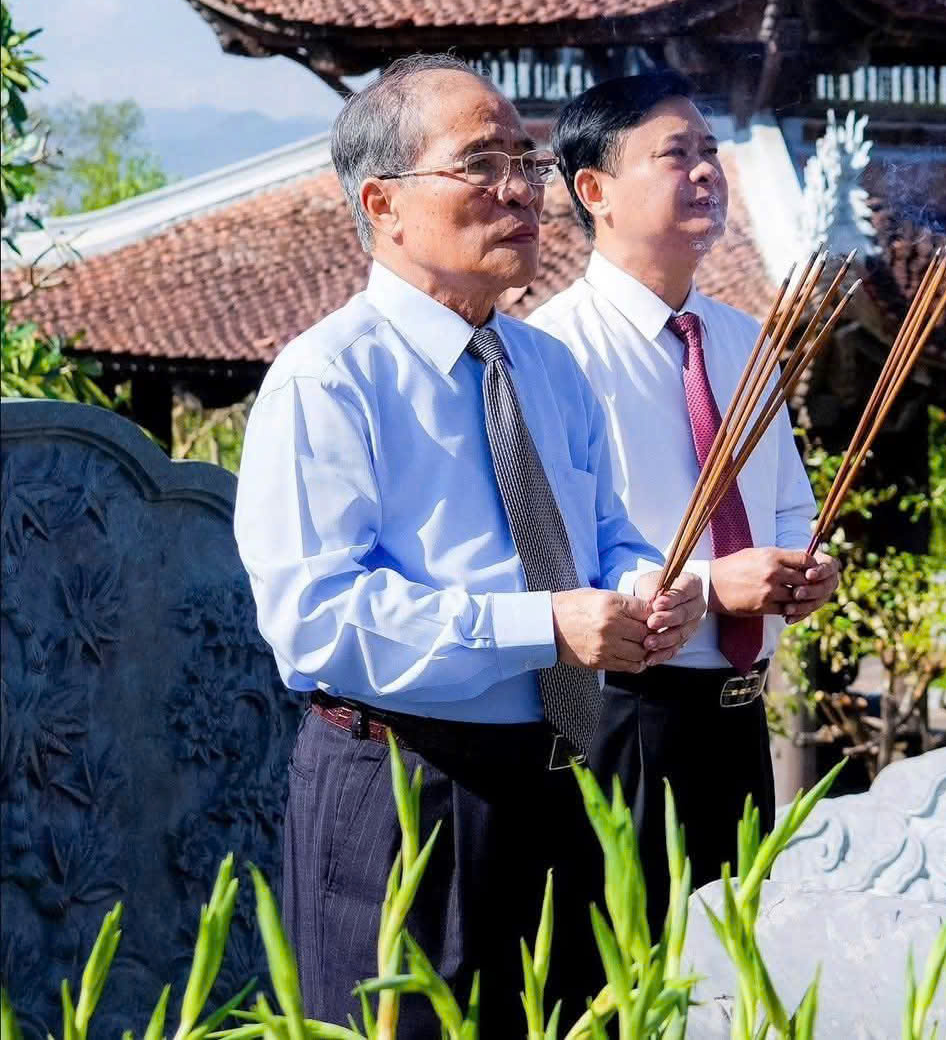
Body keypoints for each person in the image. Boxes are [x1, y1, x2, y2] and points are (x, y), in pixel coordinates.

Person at [234, 54, 706, 1035]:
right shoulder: (329, 378)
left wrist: (647, 590)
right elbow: (319, 621)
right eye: (481, 163)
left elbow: (606, 536)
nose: (521, 190)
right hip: (406, 788)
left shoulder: (548, 366)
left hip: (563, 772)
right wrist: (545, 626)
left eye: (525, 163)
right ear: (384, 203)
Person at [528, 71, 840, 913]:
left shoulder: (743, 339)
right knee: (631, 962)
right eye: (675, 154)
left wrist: (804, 566)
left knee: (734, 957)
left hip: (738, 713)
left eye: (711, 150)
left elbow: (788, 506)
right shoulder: (553, 353)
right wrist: (710, 586)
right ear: (595, 191)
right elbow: (553, 560)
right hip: (628, 713)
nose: (707, 171)